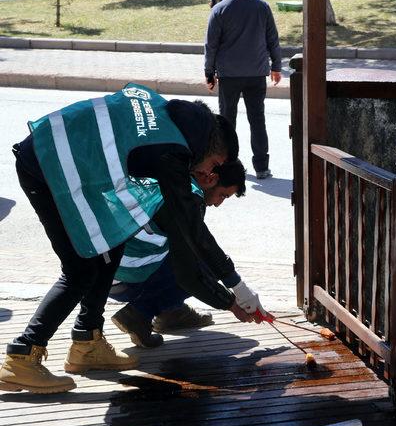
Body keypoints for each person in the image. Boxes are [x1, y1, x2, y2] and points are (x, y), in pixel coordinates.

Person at [0, 84, 271, 394]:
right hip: (47, 165)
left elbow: (194, 234)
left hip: (61, 159)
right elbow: (188, 260)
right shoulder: (171, 154)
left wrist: (237, 286)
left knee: (109, 248)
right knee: (80, 270)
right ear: (212, 152)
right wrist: (231, 300)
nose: (209, 173)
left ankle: (87, 342)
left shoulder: (164, 115)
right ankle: (22, 355)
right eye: (214, 166)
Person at [110, 159, 247, 348]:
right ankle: (139, 313)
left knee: (189, 253)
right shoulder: (189, 198)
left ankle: (171, 312)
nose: (218, 204)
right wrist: (231, 303)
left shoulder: (172, 174)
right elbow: (191, 271)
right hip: (126, 278)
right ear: (211, 178)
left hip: (106, 273)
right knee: (204, 263)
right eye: (222, 195)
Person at [204, 0, 282, 180]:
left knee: (227, 121)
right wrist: (276, 66)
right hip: (256, 74)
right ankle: (262, 167)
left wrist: (209, 73)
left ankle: (228, 164)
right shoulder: (262, 6)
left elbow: (211, 45)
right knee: (257, 119)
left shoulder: (219, 9)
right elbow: (272, 38)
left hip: (229, 75)